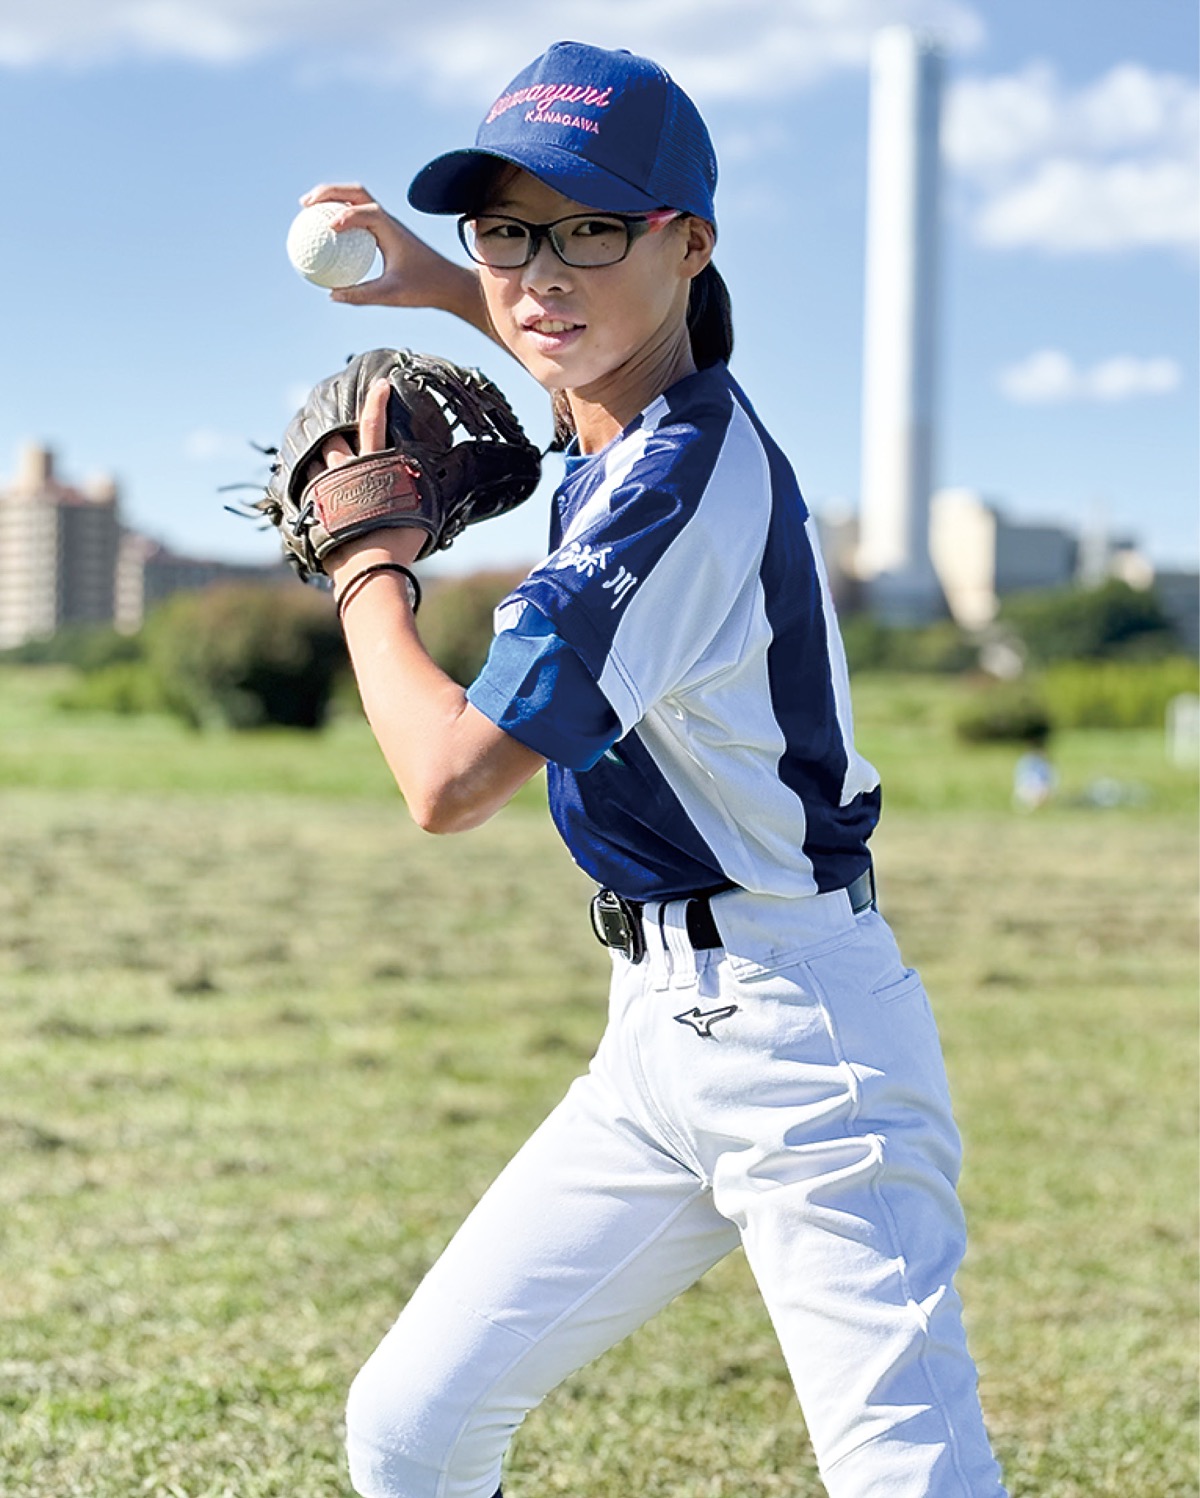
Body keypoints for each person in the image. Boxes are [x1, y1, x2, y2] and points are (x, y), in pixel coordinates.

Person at [301, 40, 1007, 1498]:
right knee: (411, 1431)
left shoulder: (672, 492)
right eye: (510, 230)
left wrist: (363, 560)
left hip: (807, 1050)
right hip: (656, 1041)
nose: (540, 275)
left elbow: (446, 778)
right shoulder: (636, 422)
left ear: (689, 245)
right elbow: (576, 353)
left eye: (591, 228)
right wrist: (438, 280)